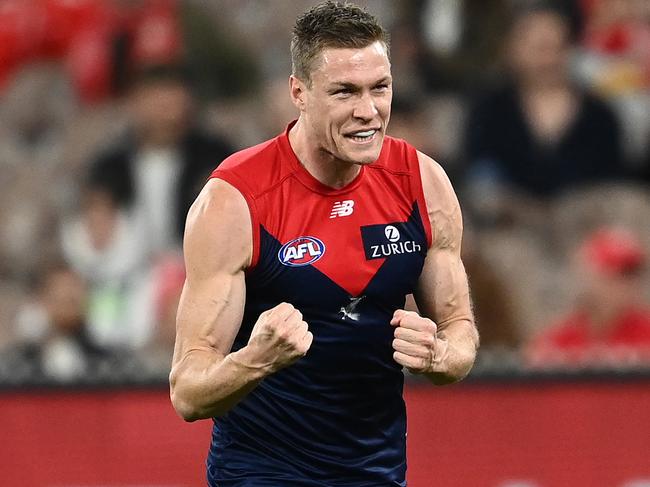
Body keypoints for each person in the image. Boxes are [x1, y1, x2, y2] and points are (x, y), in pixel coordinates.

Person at [169, 2, 478, 485]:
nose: (368, 110)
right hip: (261, 471)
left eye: (380, 88)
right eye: (344, 92)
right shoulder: (236, 201)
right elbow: (187, 393)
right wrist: (256, 360)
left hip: (376, 473)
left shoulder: (423, 183)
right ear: (299, 93)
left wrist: (440, 357)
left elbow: (460, 330)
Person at [526, 227, 650, 368]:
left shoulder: (647, 332)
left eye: (632, 274)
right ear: (589, 276)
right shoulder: (558, 339)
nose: (626, 283)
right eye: (617, 273)